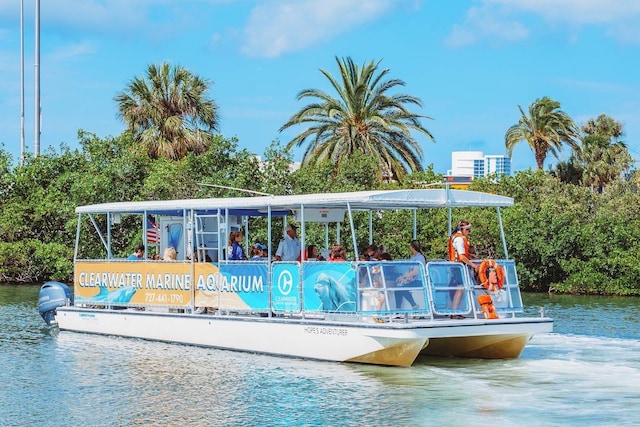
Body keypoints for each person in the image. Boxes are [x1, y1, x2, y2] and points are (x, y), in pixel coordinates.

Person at [448, 220, 477, 312]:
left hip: (456, 267)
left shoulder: (456, 237)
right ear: (463, 229)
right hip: (458, 267)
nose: (469, 232)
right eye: (468, 230)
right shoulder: (459, 239)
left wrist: (471, 256)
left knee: (459, 288)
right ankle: (454, 311)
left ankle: (455, 309)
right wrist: (473, 265)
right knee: (460, 288)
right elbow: (461, 256)